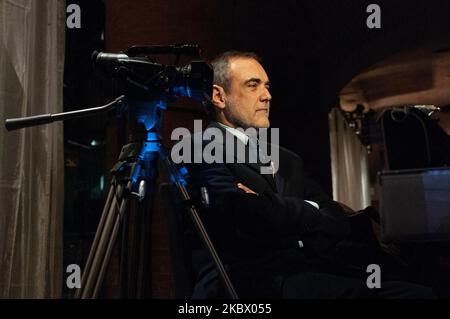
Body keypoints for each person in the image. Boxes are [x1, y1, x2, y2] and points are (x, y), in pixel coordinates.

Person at [175, 51, 435, 298]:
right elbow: (248, 216)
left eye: (267, 86)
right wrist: (309, 212)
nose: (266, 96)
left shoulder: (288, 159)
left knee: (421, 286)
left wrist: (275, 207)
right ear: (219, 97)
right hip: (248, 284)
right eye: (253, 85)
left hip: (308, 271)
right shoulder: (200, 148)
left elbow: (336, 221)